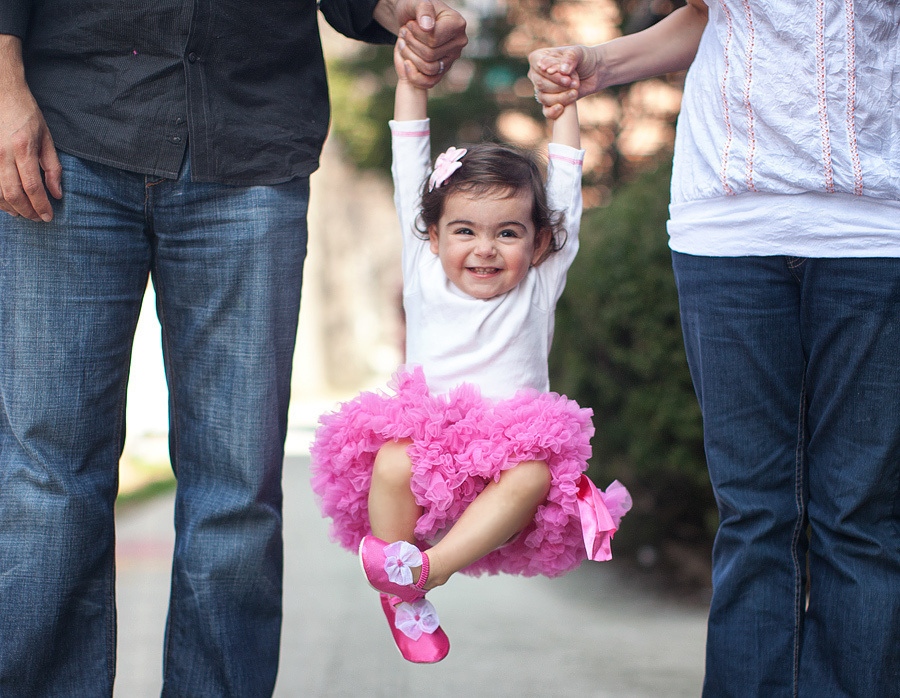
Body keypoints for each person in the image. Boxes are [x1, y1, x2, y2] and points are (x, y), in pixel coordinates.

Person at [0, 1, 466, 695]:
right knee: (48, 487)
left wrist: (402, 11)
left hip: (250, 140)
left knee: (237, 493)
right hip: (68, 130)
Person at [529, 1, 900, 695]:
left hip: (876, 227)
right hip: (729, 225)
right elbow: (713, 16)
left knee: (862, 517)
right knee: (757, 514)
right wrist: (600, 63)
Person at [309, 35, 631, 665]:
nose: (484, 249)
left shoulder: (539, 279)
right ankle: (400, 589)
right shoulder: (424, 264)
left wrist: (562, 99)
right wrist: (411, 82)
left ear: (539, 244)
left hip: (509, 452)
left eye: (507, 233)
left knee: (535, 474)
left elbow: (564, 171)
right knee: (393, 459)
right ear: (432, 234)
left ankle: (420, 576)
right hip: (434, 439)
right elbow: (410, 159)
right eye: (465, 231)